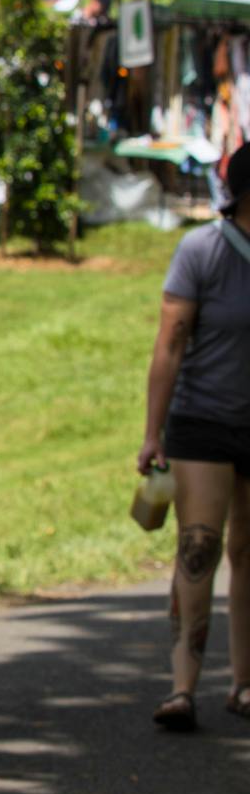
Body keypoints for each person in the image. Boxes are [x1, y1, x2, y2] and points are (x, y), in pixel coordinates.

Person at [139, 145, 250, 731]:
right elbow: (170, 343)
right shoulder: (201, 251)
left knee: (248, 553)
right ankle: (183, 688)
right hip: (203, 419)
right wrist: (152, 432)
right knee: (199, 547)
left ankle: (244, 683)